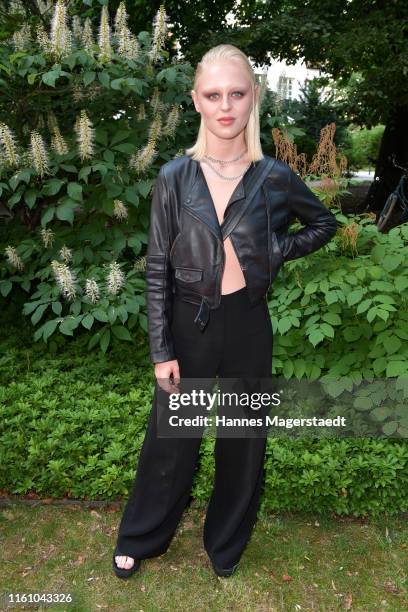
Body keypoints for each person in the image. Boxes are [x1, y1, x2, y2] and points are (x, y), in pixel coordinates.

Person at [112, 44, 338, 579]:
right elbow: (157, 267)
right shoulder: (174, 177)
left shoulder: (274, 177)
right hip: (190, 325)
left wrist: (274, 252)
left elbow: (322, 224)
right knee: (172, 442)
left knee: (242, 441)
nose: (226, 106)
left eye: (237, 93)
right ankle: (142, 536)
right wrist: (161, 349)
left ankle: (226, 542)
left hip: (247, 324)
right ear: (195, 101)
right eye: (213, 95)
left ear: (253, 97)